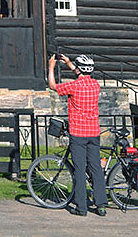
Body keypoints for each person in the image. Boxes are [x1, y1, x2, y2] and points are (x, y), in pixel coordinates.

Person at [48, 53, 107, 217]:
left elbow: (53, 86)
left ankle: (82, 208)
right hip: (94, 133)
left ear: (79, 69)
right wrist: (68, 62)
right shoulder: (95, 85)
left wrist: (51, 67)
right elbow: (81, 73)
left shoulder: (73, 86)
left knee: (79, 170)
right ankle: (101, 205)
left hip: (78, 134)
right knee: (95, 168)